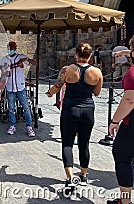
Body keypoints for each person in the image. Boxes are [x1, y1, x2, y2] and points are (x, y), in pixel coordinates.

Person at [46, 42, 103, 190]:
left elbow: (58, 85)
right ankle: (83, 176)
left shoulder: (67, 70)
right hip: (88, 109)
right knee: (84, 144)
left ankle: (70, 178)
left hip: (70, 108)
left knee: (67, 143)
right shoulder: (97, 72)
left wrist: (51, 93)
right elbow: (96, 93)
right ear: (90, 55)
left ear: (76, 54)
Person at [107, 36, 134, 204]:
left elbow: (130, 100)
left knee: (122, 157)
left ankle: (125, 202)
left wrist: (115, 120)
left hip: (132, 124)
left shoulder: (132, 73)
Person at [0, 41, 36, 137]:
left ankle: (29, 127)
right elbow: (1, 70)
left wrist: (26, 59)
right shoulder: (4, 59)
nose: (10, 49)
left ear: (15, 49)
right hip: (10, 87)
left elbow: (34, 63)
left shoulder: (21, 57)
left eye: (12, 48)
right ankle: (12, 125)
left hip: (20, 87)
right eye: (9, 48)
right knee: (11, 108)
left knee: (26, 108)